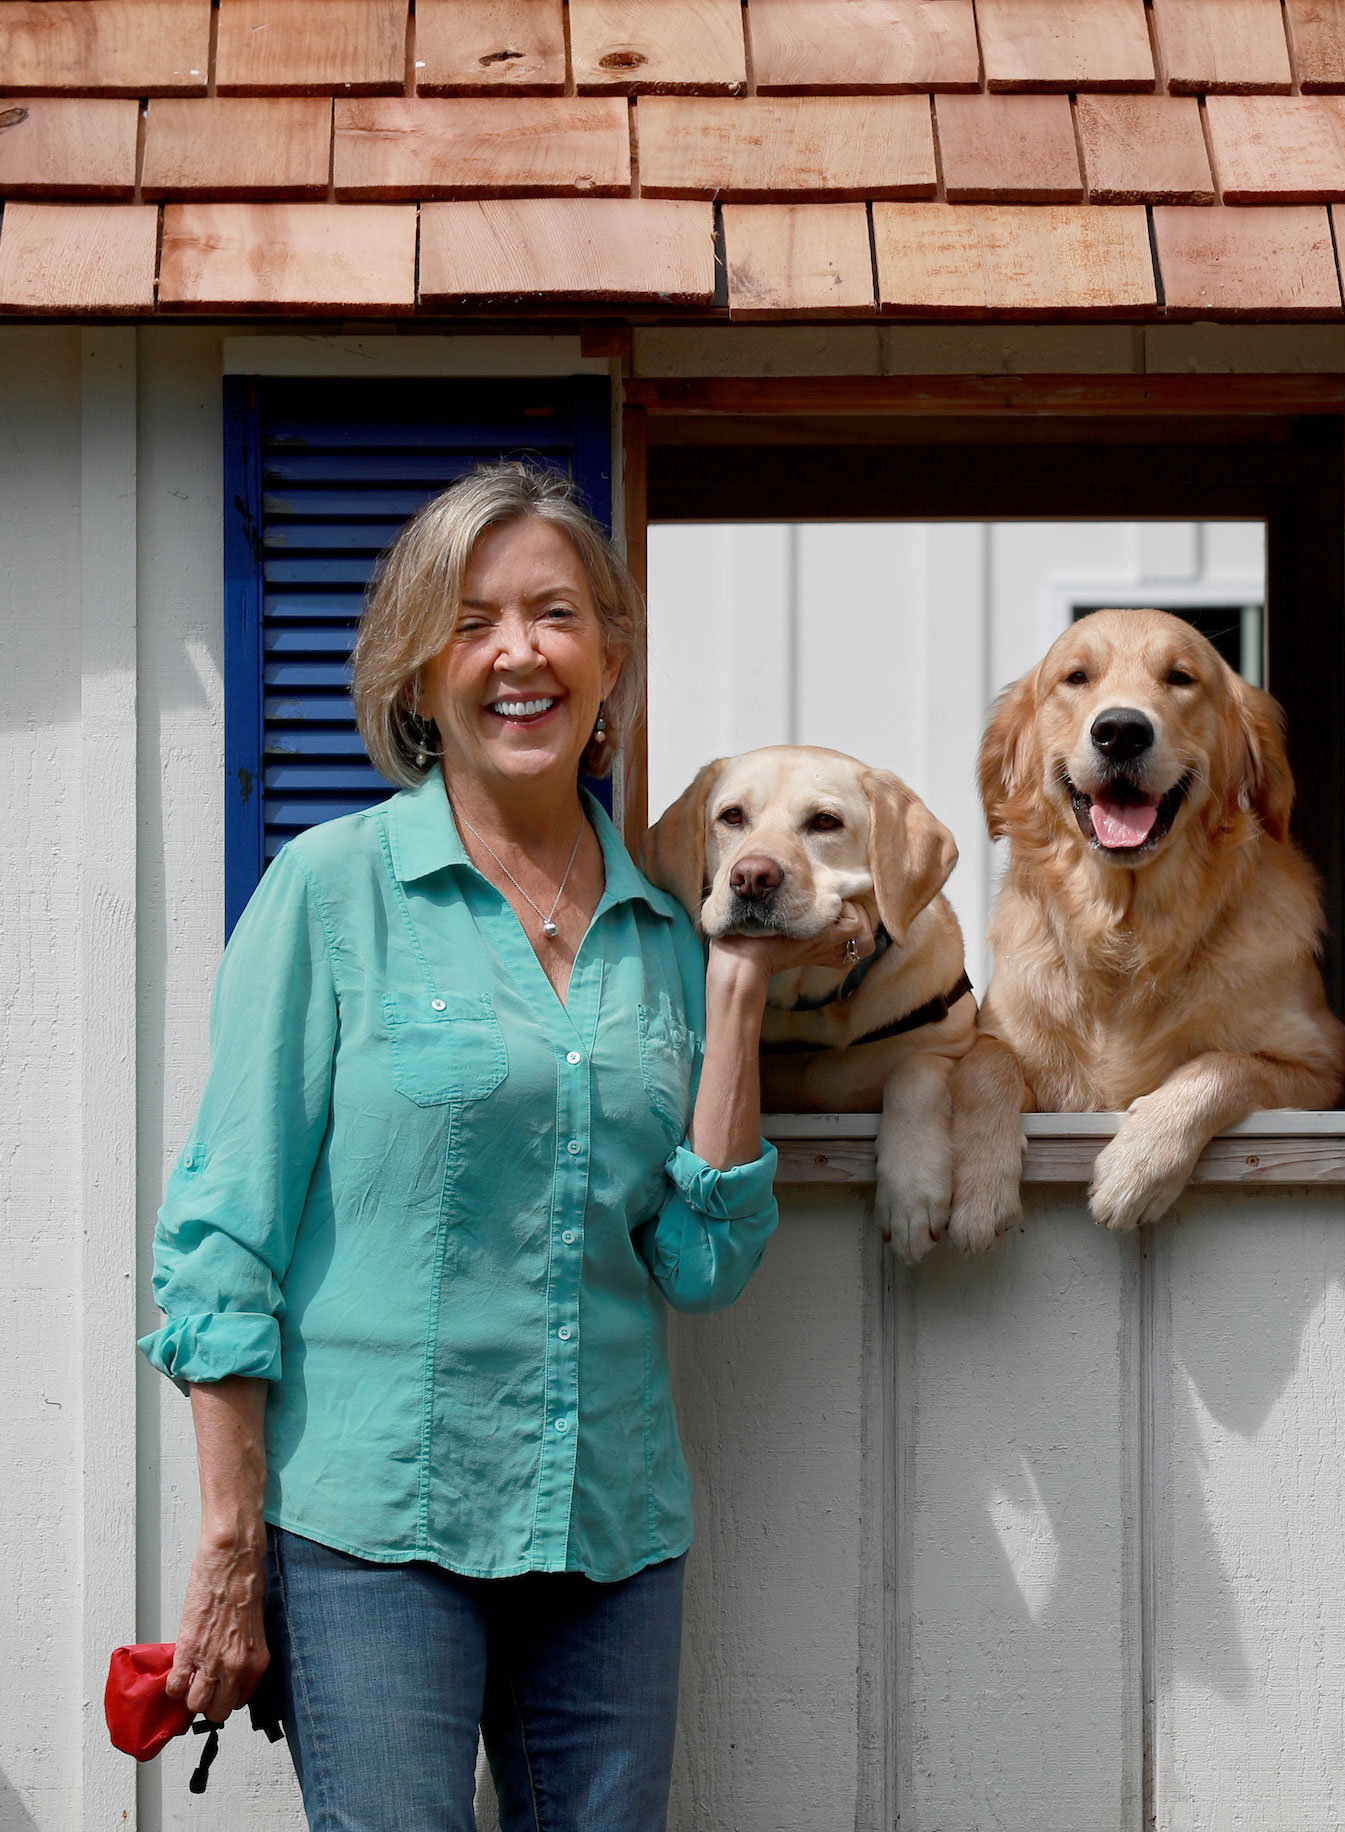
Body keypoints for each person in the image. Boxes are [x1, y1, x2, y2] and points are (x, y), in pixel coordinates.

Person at [140, 460, 872, 1831]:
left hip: (608, 1533)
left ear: (609, 658)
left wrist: (731, 997)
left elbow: (700, 1266)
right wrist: (231, 1547)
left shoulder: (666, 927)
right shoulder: (332, 892)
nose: (518, 653)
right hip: (372, 1529)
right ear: (417, 676)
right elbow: (221, 1237)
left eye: (553, 615)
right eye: (471, 622)